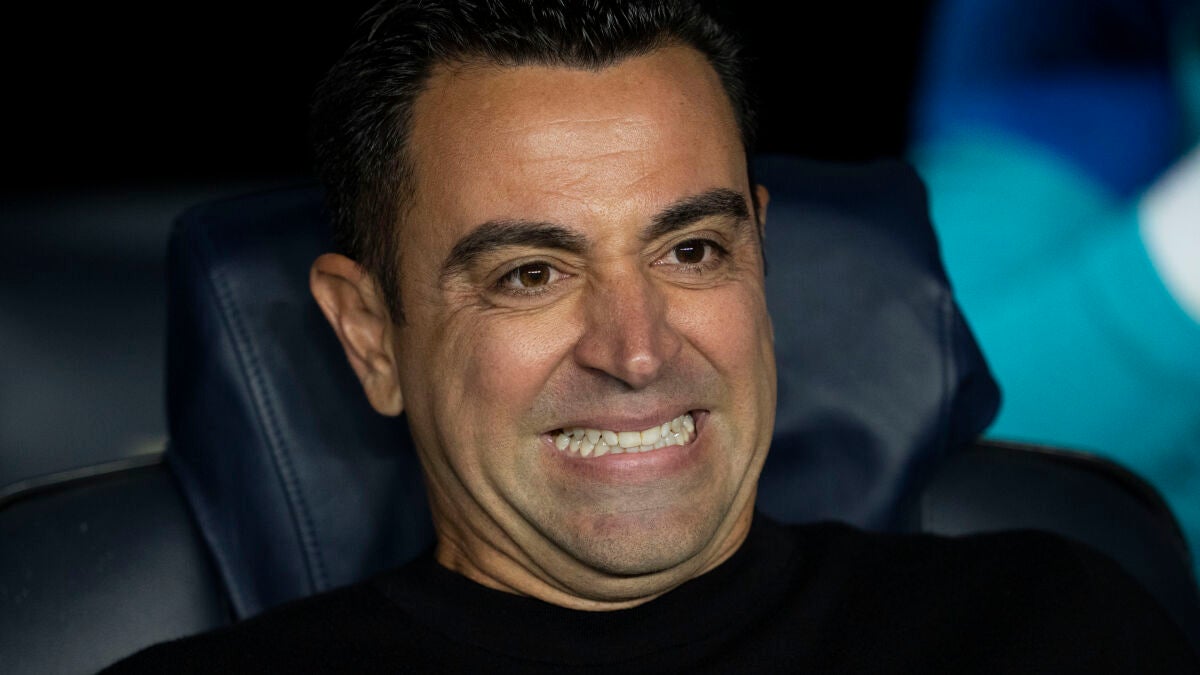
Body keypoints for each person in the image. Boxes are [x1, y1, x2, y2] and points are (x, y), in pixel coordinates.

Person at [105, 1, 1197, 671]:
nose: (636, 350)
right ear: (370, 334)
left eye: (692, 251)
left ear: (760, 253)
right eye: (532, 275)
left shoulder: (1054, 625)